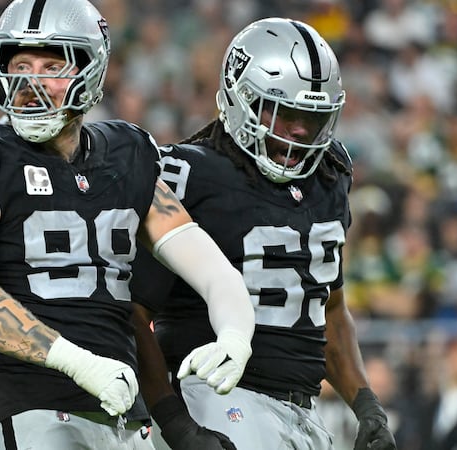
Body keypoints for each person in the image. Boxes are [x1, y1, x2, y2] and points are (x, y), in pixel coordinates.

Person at [0, 0, 255, 449]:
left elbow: (207, 266)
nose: (29, 82)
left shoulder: (127, 153)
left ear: (90, 72)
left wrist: (236, 331)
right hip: (31, 407)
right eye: (20, 65)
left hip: (123, 416)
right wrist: (79, 363)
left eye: (51, 66)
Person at [130, 18, 397, 450]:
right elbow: (134, 313)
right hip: (215, 397)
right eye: (287, 112)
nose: (299, 132)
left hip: (304, 410)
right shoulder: (191, 174)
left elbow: (328, 308)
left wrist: (367, 405)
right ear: (242, 99)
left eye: (313, 117)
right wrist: (174, 421)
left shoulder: (330, 176)